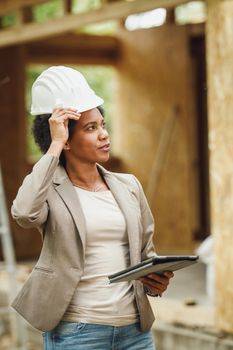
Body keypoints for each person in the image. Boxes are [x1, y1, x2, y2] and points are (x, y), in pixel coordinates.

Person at [11, 66, 173, 350]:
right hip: (78, 332)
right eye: (91, 128)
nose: (104, 135)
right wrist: (55, 146)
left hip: (135, 332)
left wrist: (155, 281)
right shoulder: (49, 188)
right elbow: (24, 214)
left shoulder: (129, 186)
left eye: (103, 124)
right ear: (67, 141)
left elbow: (146, 253)